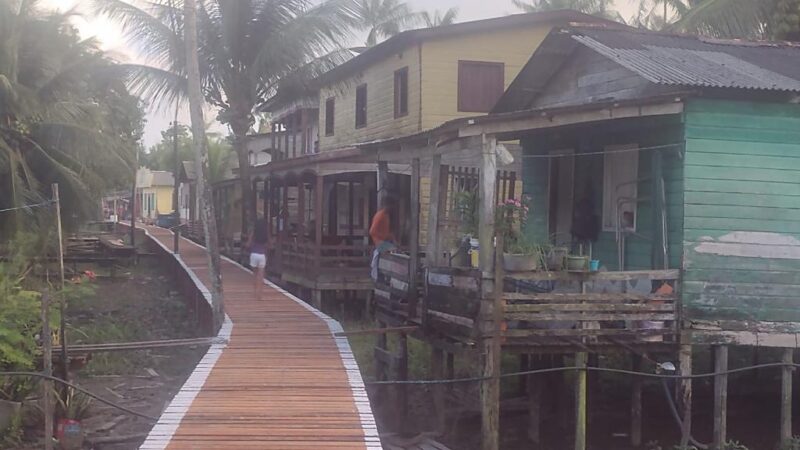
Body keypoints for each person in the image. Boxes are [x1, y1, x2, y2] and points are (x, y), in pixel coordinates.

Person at [369, 196, 397, 280]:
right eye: (392, 206)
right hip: (379, 242)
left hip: (384, 241)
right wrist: (383, 237)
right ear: (388, 205)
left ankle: (389, 276)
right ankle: (381, 277)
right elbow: (372, 231)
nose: (393, 208)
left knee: (397, 250)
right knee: (395, 252)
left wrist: (392, 237)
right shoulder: (380, 215)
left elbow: (386, 231)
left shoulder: (386, 215)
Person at [247, 216, 269, 301]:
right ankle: (260, 295)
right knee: (261, 276)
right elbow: (269, 243)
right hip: (262, 255)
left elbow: (248, 244)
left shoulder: (254, 232)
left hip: (254, 254)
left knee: (255, 275)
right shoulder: (266, 233)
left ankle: (255, 293)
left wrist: (250, 244)